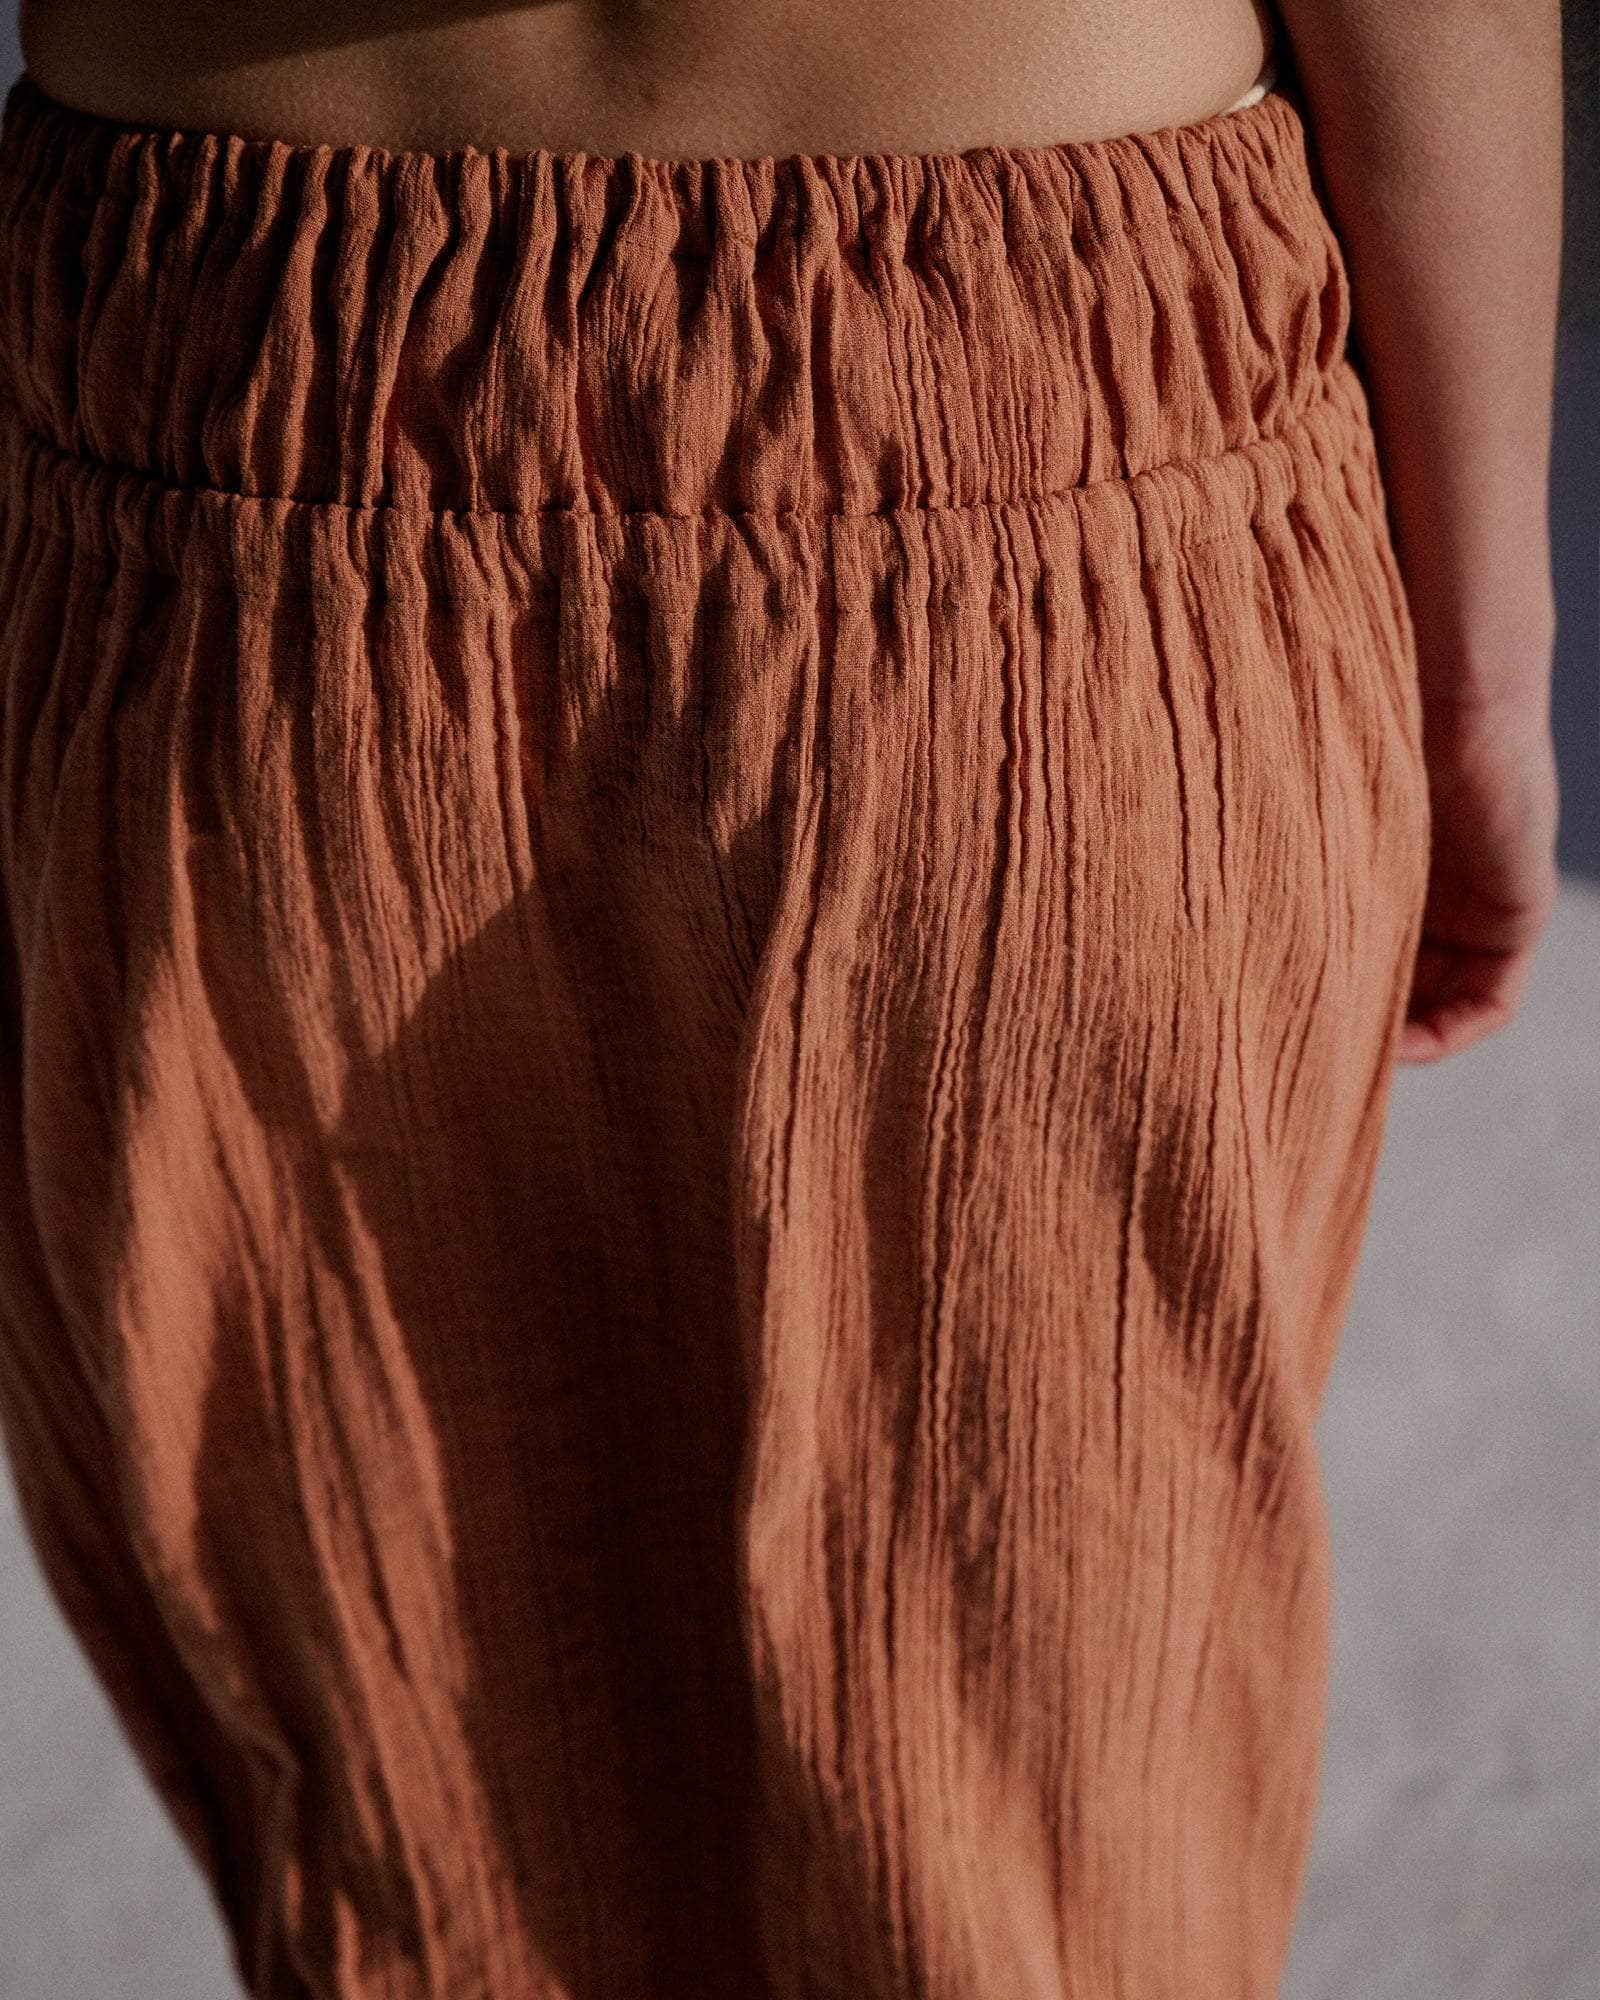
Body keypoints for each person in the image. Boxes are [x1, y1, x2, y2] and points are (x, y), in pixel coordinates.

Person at [0, 3, 1561, 1997]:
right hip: (1023, 440)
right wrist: (1478, 672)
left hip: (224, 421)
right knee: (1042, 1836)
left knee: (424, 1824)